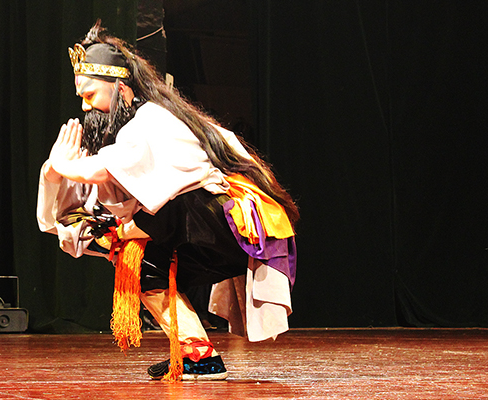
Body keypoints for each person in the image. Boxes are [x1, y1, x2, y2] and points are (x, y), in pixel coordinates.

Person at [37, 21, 298, 381]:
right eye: (81, 98)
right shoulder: (126, 133)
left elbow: (107, 173)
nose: (85, 107)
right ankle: (198, 355)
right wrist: (54, 173)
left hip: (228, 220)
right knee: (141, 270)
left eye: (91, 95)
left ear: (122, 89)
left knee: (151, 221)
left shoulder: (153, 120)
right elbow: (84, 205)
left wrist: (69, 166)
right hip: (202, 226)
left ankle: (194, 350)